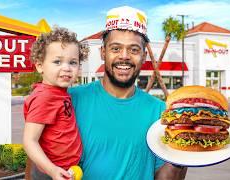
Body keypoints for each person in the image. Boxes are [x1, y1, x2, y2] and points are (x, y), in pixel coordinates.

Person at [69, 6, 187, 179]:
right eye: (115, 48)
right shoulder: (72, 100)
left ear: (144, 56)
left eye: (134, 50)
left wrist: (182, 153)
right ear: (103, 52)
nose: (124, 56)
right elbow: (38, 167)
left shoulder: (160, 112)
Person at [23, 27, 89, 180]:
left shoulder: (59, 92)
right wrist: (52, 170)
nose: (66, 68)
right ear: (40, 66)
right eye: (57, 61)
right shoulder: (44, 97)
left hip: (67, 169)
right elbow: (29, 141)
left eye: (73, 62)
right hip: (50, 172)